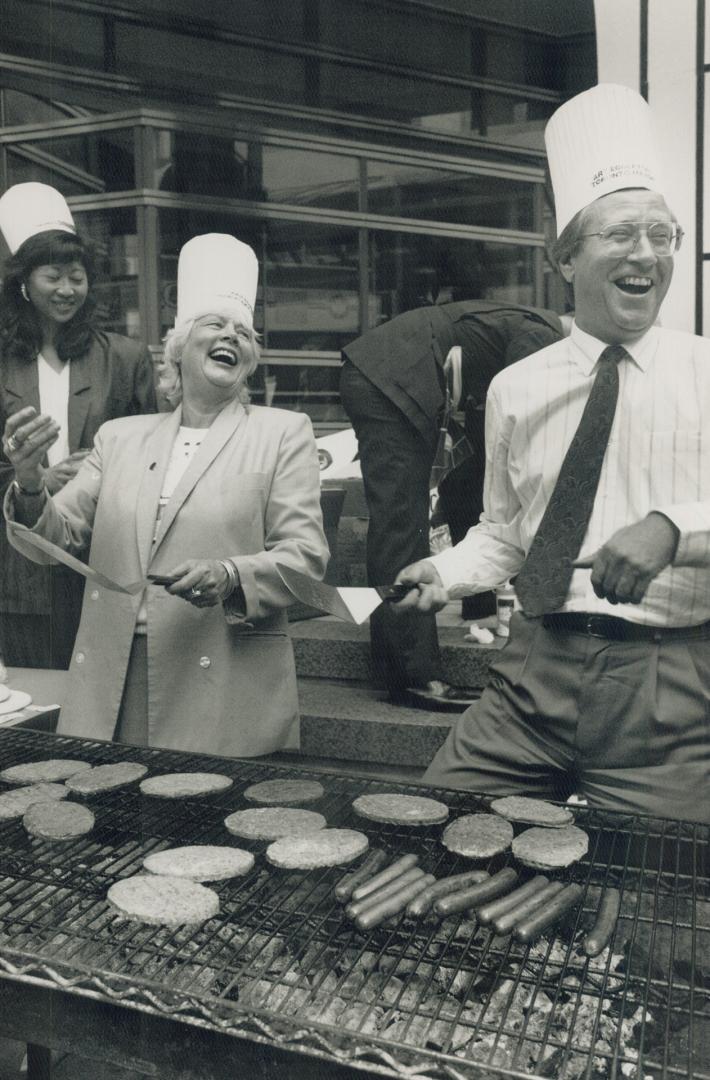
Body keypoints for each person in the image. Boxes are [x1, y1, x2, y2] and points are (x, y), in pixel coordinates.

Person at [394, 83, 710, 824]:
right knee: (434, 833)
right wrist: (442, 572)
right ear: (565, 257)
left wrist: (672, 529)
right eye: (621, 234)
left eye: (662, 236)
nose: (646, 255)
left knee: (663, 909)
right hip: (530, 678)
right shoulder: (515, 388)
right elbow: (508, 533)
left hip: (670, 693)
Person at [4, 232, 329, 757]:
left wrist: (230, 574)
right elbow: (54, 537)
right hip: (114, 678)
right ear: (179, 348)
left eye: (244, 332)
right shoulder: (121, 437)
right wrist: (30, 480)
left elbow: (306, 560)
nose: (233, 337)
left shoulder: (282, 432)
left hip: (220, 675)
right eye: (216, 325)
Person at [340, 300, 562, 709]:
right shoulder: (546, 335)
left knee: (469, 482)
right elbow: (531, 422)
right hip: (394, 376)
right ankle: (412, 675)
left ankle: (478, 607)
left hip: (388, 370)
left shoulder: (518, 328)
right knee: (401, 519)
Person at [0, 182, 157, 669]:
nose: (67, 289)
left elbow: (156, 454)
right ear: (24, 282)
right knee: (32, 693)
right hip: (16, 563)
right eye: (54, 277)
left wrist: (97, 471)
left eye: (77, 277)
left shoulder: (126, 359)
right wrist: (28, 478)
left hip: (103, 551)